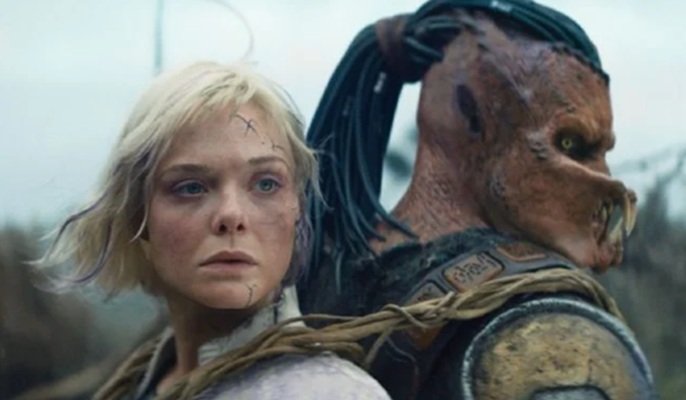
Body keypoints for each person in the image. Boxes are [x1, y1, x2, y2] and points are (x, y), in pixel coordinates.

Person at [298, 0, 658, 399]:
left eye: (604, 152)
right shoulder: (553, 337)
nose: (604, 177)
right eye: (571, 143)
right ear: (470, 115)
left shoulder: (309, 284)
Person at [38, 62, 390, 399]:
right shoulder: (141, 383)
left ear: (297, 208)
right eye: (191, 187)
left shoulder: (331, 394)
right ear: (137, 216)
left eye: (266, 184)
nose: (231, 215)